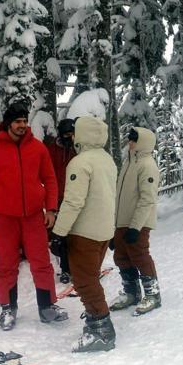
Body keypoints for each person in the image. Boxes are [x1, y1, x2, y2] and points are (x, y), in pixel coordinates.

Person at [0, 101, 68, 331]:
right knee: (6, 264)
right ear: (8, 123)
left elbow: (51, 179)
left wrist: (52, 209)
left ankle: (47, 307)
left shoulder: (37, 148)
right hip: (3, 218)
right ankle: (8, 309)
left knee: (41, 262)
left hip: (33, 217)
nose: (23, 125)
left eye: (25, 121)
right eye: (18, 121)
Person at [51, 116, 117, 352]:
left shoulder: (80, 163)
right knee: (90, 277)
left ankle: (101, 329)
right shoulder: (107, 160)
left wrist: (59, 233)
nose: (72, 137)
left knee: (85, 281)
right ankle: (94, 317)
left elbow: (73, 202)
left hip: (85, 232)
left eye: (75, 132)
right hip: (103, 230)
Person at [108, 127, 161, 316]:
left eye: (133, 140)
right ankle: (132, 292)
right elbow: (120, 197)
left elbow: (147, 199)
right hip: (123, 222)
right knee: (121, 256)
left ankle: (153, 294)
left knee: (139, 255)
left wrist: (135, 227)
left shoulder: (147, 165)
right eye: (129, 139)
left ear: (142, 142)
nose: (129, 143)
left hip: (138, 222)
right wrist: (115, 227)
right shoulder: (128, 163)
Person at [46, 118, 76, 284]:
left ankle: (79, 266)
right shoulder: (52, 150)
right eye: (66, 134)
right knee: (61, 236)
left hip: (76, 197)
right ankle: (65, 269)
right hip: (58, 199)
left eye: (71, 134)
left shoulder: (78, 149)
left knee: (77, 234)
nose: (69, 137)